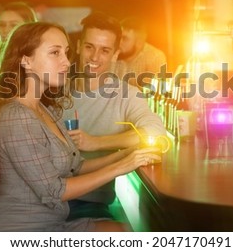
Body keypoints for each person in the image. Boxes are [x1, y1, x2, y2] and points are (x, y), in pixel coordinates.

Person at [0, 21, 160, 231]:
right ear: (26, 61)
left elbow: (75, 167)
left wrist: (127, 155)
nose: (66, 62)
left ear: (115, 54)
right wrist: (122, 165)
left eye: (65, 53)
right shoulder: (16, 116)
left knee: (129, 231)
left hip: (54, 219)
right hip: (25, 228)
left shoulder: (45, 108)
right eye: (55, 53)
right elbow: (55, 191)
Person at [62, 12, 167, 220]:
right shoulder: (55, 91)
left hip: (88, 205)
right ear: (78, 46)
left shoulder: (126, 94)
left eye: (104, 50)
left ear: (115, 55)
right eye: (89, 47)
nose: (94, 57)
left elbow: (156, 133)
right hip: (44, 202)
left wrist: (97, 143)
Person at [114, 16, 167, 88]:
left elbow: (154, 92)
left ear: (139, 43)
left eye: (124, 38)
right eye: (118, 37)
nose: (119, 42)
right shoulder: (113, 52)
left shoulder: (155, 57)